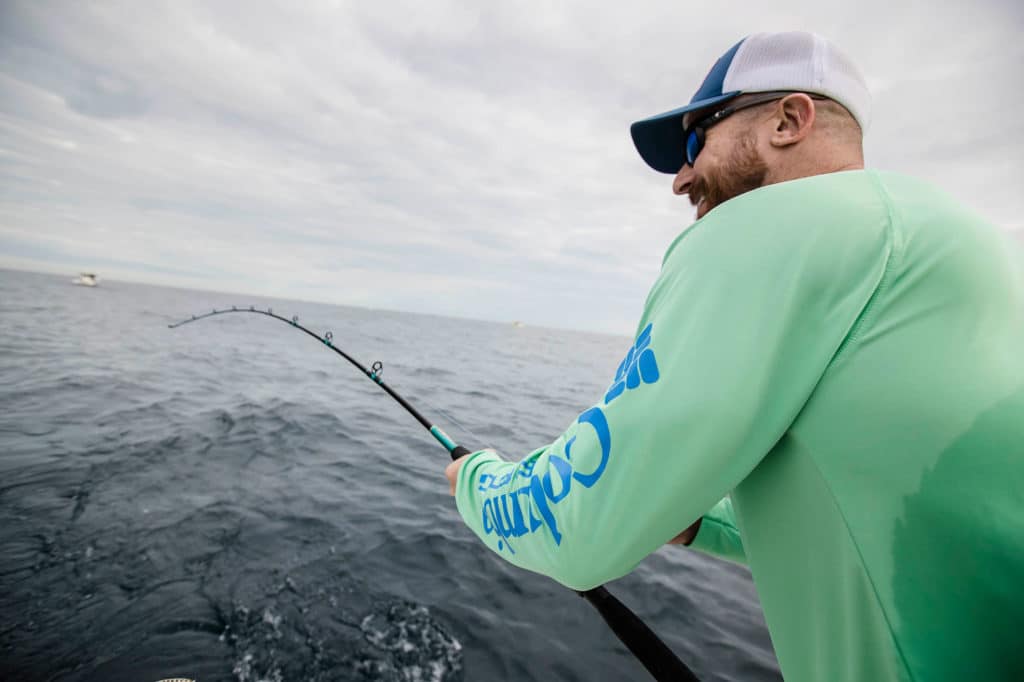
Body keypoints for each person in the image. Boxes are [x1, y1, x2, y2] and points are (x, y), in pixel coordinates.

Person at [444, 31, 1024, 682]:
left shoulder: (773, 224)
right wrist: (703, 526)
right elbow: (907, 531)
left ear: (788, 120)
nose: (681, 179)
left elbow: (575, 527)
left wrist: (475, 479)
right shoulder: (964, 244)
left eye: (696, 143)